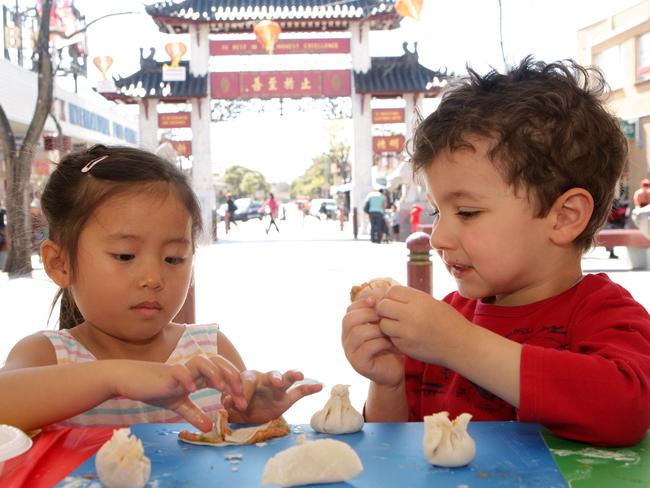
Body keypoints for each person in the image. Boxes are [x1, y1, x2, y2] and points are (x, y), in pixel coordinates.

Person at [342, 57, 650, 447]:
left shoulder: (603, 315)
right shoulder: (440, 323)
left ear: (564, 217)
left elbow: (625, 411)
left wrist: (460, 345)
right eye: (439, 212)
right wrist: (387, 383)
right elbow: (395, 450)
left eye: (467, 212)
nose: (438, 237)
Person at [0, 146, 321, 433]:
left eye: (174, 258)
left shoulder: (211, 350)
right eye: (125, 255)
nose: (153, 278)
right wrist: (113, 377)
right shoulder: (46, 355)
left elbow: (233, 446)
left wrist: (248, 418)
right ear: (60, 264)